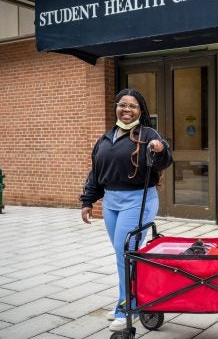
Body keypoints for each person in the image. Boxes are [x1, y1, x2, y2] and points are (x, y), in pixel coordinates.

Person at [80, 89, 173, 331]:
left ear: (141, 111)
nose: (127, 110)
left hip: (137, 200)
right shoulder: (105, 138)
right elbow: (96, 172)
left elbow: (164, 159)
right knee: (123, 255)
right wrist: (88, 200)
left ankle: (127, 305)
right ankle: (129, 298)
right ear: (117, 107)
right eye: (123, 105)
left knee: (125, 253)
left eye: (133, 106)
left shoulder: (148, 134)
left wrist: (160, 148)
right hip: (111, 202)